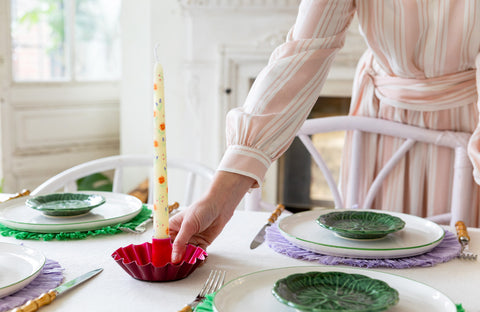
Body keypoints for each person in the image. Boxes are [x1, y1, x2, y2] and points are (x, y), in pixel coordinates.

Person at [169, 0, 480, 263]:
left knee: (458, 262)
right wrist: (222, 194)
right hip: (382, 123)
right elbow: (303, 52)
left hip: (468, 121)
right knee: (371, 258)